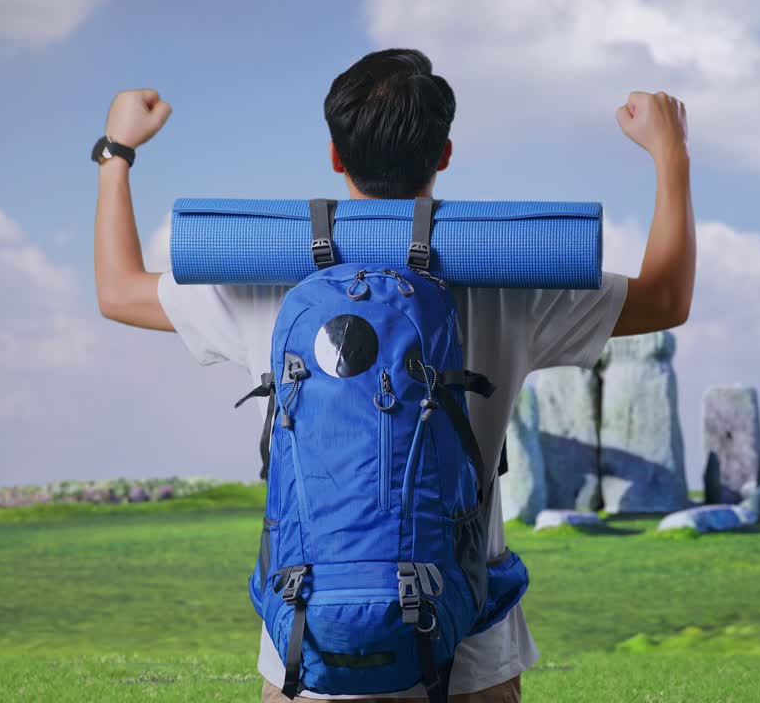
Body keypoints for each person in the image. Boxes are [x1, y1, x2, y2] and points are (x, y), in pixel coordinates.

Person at [92, 49, 694, 703]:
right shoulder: (510, 279)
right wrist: (670, 153)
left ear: (335, 156)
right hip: (467, 652)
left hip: (308, 643)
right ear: (444, 154)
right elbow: (666, 298)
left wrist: (117, 151)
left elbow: (118, 290)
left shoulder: (264, 278)